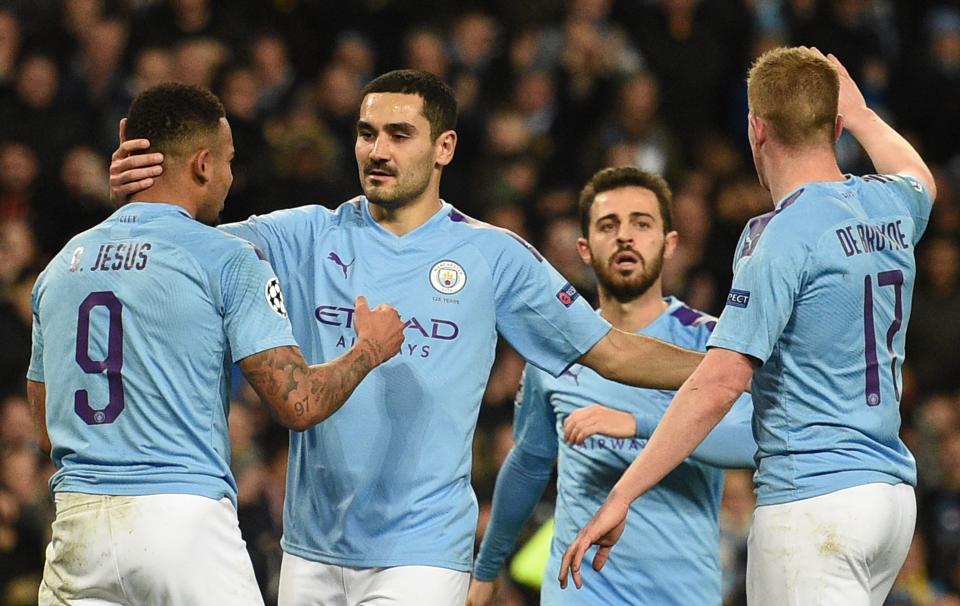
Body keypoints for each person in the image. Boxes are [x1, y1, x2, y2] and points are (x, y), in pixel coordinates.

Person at [109, 70, 705, 606]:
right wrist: (141, 199)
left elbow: (612, 351)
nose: (377, 150)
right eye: (367, 134)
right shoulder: (307, 235)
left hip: (420, 553)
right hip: (309, 551)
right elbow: (179, 246)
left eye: (399, 135)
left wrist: (731, 364)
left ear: (444, 147)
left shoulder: (491, 255)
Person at [558, 47, 937, 606]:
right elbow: (921, 178)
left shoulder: (779, 236)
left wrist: (623, 492)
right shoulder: (888, 205)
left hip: (814, 502)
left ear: (756, 128)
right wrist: (860, 113)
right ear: (833, 125)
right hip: (889, 501)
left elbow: (719, 382)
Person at [28, 83, 405, 606]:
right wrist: (369, 349)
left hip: (77, 527)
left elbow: (48, 431)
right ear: (203, 164)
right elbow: (298, 401)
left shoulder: (59, 267)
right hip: (184, 523)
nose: (230, 176)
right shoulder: (226, 257)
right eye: (228, 161)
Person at [467, 167, 756, 606]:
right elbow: (527, 466)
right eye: (608, 225)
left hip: (680, 594)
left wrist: (638, 423)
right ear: (584, 248)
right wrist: (487, 570)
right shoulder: (555, 352)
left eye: (641, 224)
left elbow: (752, 441)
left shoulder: (712, 345)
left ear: (669, 243)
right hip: (579, 591)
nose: (625, 236)